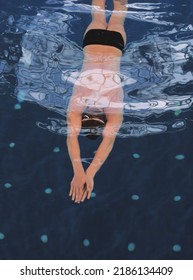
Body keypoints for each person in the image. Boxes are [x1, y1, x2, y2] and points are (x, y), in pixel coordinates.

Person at [67, 0, 128, 203]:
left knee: (119, 10)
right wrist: (79, 170)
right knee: (98, 12)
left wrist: (89, 173)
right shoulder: (78, 101)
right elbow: (71, 137)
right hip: (92, 42)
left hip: (115, 45)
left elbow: (108, 141)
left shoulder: (113, 104)